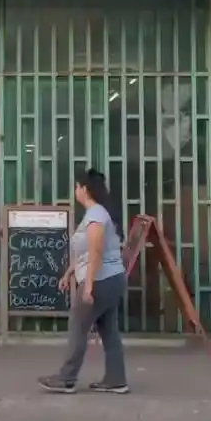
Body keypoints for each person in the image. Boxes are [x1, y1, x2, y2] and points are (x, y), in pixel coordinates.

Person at [39, 169, 128, 395]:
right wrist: (70, 272)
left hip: (101, 280)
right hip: (111, 279)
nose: (75, 191)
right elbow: (87, 252)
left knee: (78, 327)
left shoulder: (96, 215)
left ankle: (66, 378)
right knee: (109, 331)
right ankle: (116, 379)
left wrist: (88, 286)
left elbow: (96, 251)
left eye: (77, 187)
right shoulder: (99, 212)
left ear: (84, 189)